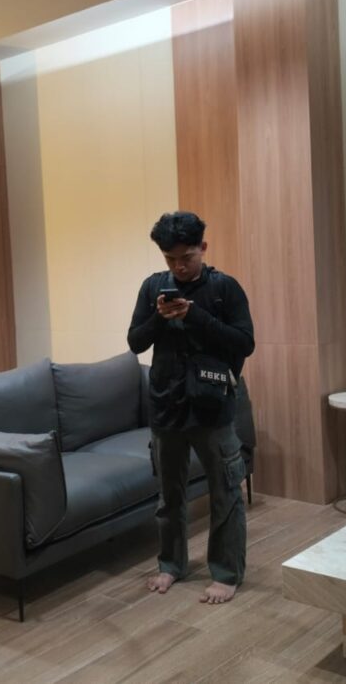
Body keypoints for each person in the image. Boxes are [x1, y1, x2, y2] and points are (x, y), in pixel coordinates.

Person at [127, 211, 255, 605]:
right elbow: (135, 342)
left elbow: (244, 343)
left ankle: (227, 574)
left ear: (203, 247)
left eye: (187, 257)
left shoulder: (224, 288)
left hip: (212, 407)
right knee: (169, 495)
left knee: (225, 492)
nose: (179, 266)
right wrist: (159, 318)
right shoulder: (153, 288)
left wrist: (195, 315)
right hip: (166, 405)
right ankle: (171, 565)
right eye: (170, 259)